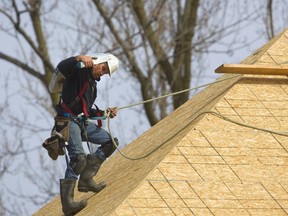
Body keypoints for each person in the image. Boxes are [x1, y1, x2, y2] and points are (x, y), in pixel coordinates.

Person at [53, 53, 120, 215]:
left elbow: (86, 111)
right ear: (98, 61)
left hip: (80, 122)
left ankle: (86, 179)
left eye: (105, 73)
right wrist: (78, 58)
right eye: (103, 68)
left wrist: (104, 113)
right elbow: (62, 67)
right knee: (79, 159)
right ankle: (68, 205)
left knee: (111, 141)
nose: (102, 73)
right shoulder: (78, 71)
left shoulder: (92, 86)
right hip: (67, 122)